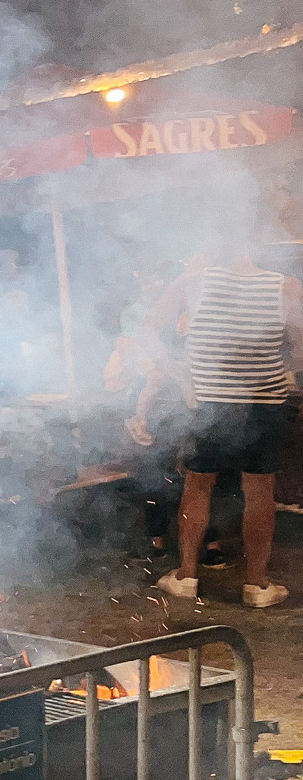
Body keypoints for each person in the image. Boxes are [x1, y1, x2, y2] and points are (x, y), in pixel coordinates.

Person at [142, 226, 303, 607]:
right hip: (263, 402)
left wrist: (179, 371)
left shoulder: (192, 282)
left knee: (198, 485)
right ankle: (257, 585)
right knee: (259, 492)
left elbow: (146, 330)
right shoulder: (285, 287)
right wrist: (288, 362)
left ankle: (185, 576)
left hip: (209, 402)